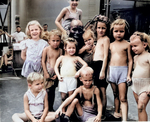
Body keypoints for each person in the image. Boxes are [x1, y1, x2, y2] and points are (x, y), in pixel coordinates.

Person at [107, 19, 133, 121]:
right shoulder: (110, 45)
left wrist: (128, 75)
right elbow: (108, 59)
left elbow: (130, 61)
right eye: (116, 31)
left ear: (125, 32)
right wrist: (108, 73)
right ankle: (117, 112)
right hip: (112, 71)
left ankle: (125, 118)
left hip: (123, 71)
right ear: (112, 32)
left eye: (121, 31)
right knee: (115, 94)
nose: (118, 33)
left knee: (123, 97)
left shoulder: (127, 44)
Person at [54, 37, 87, 103]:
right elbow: (55, 67)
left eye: (73, 48)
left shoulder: (76, 58)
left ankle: (70, 112)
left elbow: (85, 65)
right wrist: (58, 75)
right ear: (65, 48)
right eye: (69, 48)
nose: (71, 50)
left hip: (72, 79)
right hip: (63, 79)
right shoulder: (62, 57)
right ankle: (63, 111)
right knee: (63, 96)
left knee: (71, 96)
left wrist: (78, 72)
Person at [92, 15, 110, 119]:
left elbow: (106, 55)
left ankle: (103, 113)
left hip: (101, 65)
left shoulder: (106, 39)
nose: (101, 30)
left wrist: (103, 71)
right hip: (95, 64)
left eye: (103, 28)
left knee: (102, 91)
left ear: (107, 28)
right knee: (97, 90)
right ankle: (99, 110)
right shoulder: (98, 39)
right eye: (99, 27)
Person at [130, 31, 150, 121]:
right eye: (132, 46)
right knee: (140, 108)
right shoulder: (135, 57)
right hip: (135, 87)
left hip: (145, 86)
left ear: (144, 45)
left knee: (140, 106)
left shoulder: (148, 56)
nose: (133, 48)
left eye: (135, 46)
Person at [42, 29, 62, 111]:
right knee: (46, 91)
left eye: (57, 41)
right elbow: (43, 61)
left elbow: (61, 63)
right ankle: (45, 108)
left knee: (52, 91)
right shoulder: (46, 49)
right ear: (49, 41)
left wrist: (57, 74)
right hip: (47, 73)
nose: (55, 43)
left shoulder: (60, 50)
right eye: (53, 40)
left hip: (55, 73)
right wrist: (45, 73)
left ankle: (51, 107)